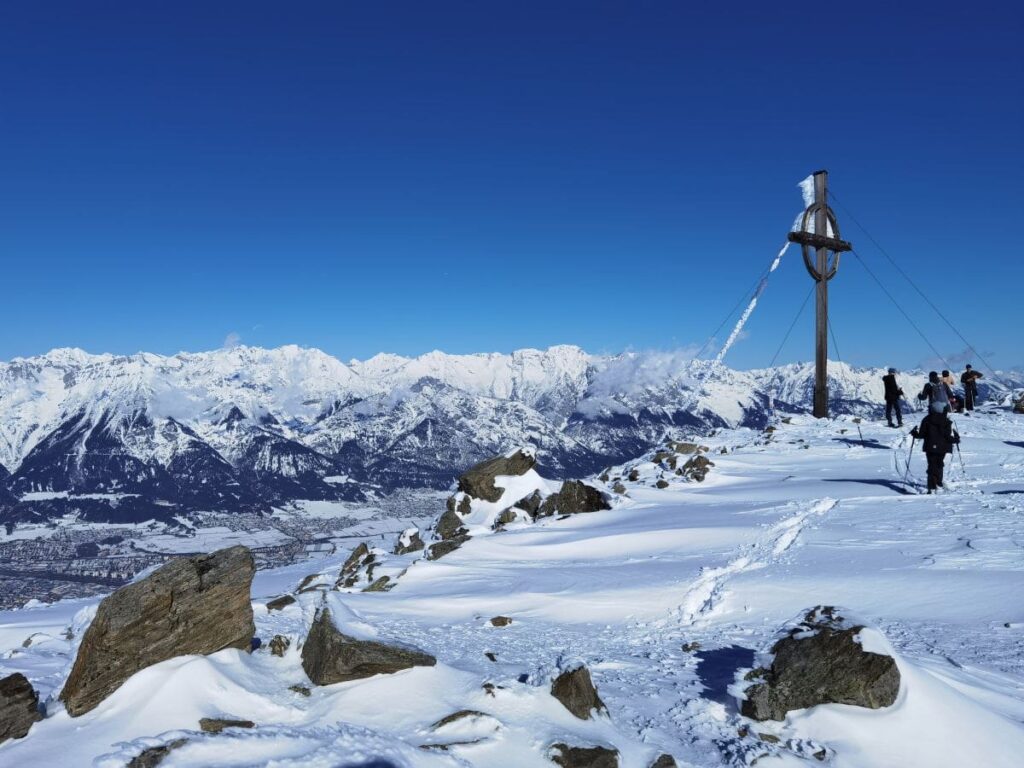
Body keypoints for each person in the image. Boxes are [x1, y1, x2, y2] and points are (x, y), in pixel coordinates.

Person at [911, 402, 960, 494]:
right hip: (943, 447)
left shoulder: (926, 420)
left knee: (931, 464)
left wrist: (914, 433)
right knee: (939, 463)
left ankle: (931, 486)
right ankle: (938, 483)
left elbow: (921, 435)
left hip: (929, 447)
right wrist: (956, 439)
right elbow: (947, 436)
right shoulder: (946, 421)